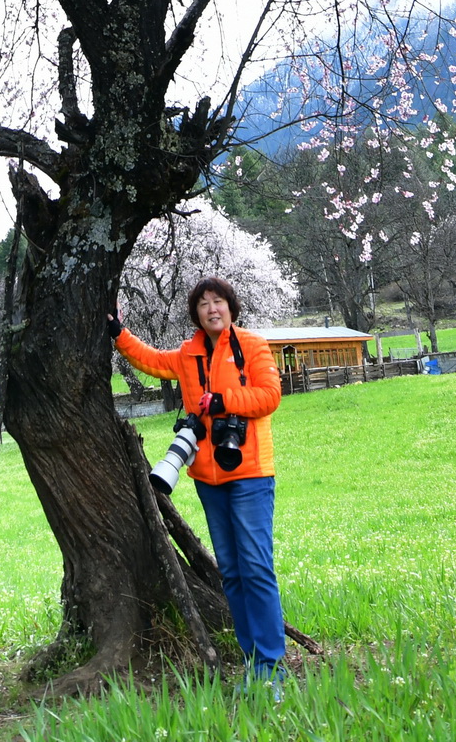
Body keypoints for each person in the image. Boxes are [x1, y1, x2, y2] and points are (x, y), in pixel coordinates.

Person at [114, 277, 287, 687]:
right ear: (196, 313)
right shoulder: (188, 354)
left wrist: (225, 403)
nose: (212, 308)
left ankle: (272, 667)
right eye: (204, 303)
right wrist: (118, 333)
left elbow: (270, 395)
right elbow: (152, 360)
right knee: (231, 571)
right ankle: (253, 661)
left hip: (250, 474)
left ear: (231, 307)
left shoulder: (252, 346)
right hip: (208, 478)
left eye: (219, 301)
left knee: (257, 568)